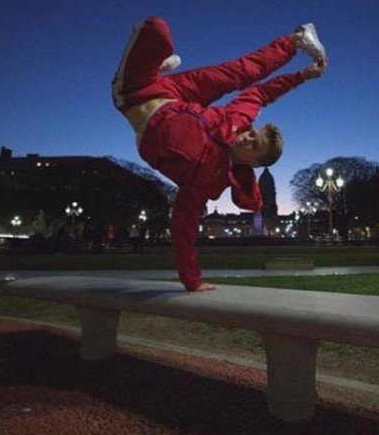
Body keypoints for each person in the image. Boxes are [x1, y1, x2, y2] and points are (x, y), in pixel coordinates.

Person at [111, 16, 327, 292]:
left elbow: (184, 224)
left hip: (131, 91)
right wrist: (303, 75)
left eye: (254, 144)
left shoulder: (211, 179)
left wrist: (192, 280)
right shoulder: (238, 119)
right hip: (175, 93)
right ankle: (296, 39)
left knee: (154, 33)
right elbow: (261, 93)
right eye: (252, 133)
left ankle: (152, 66)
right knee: (232, 70)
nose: (247, 136)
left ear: (254, 163)